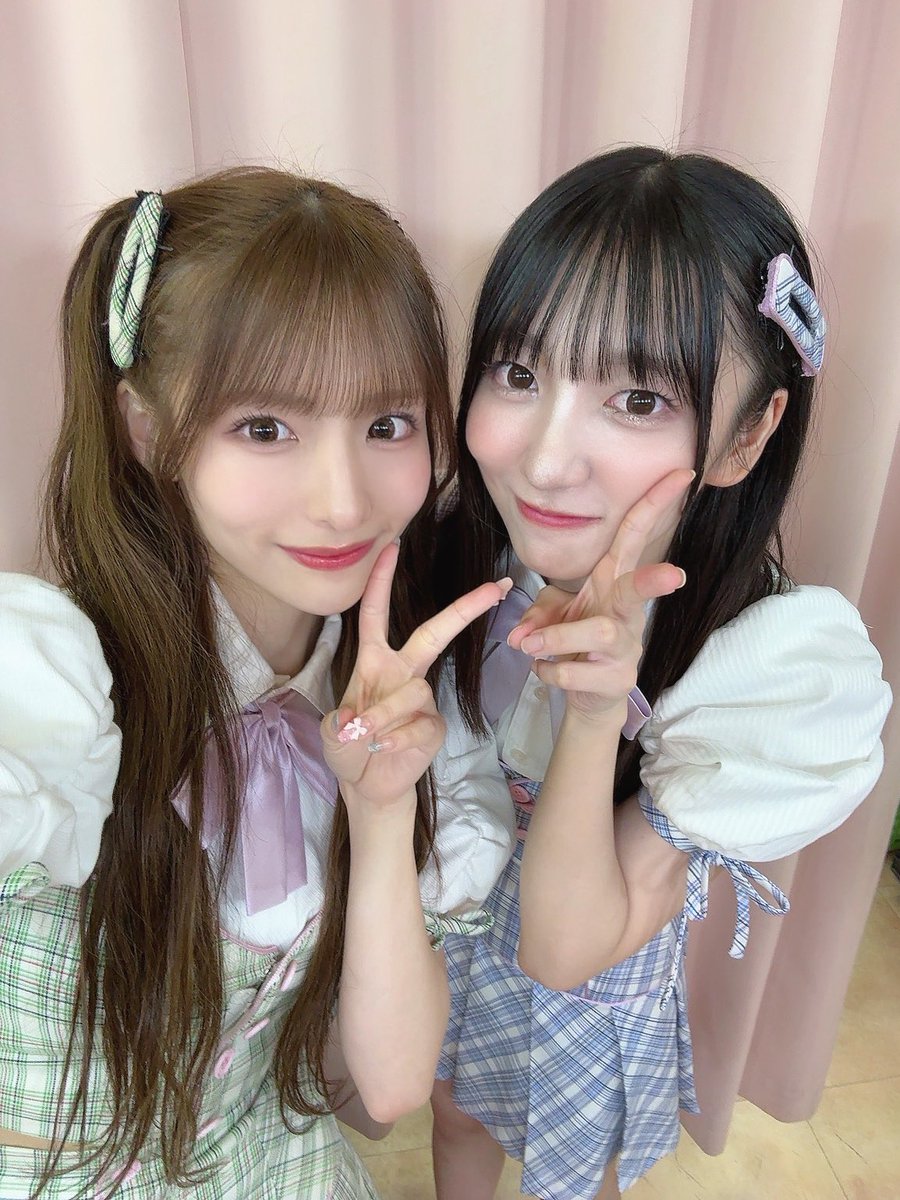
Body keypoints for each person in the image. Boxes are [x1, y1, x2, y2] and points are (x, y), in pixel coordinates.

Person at [0, 168, 516, 1198]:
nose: (342, 502)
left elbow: (392, 1085)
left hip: (266, 1165)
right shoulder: (50, 685)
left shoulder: (400, 695)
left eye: (388, 425)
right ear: (148, 430)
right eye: (266, 428)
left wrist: (381, 813)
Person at [431, 146, 892, 1200]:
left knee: (574, 1173)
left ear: (749, 435)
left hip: (588, 995)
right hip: (462, 952)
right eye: (518, 374)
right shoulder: (462, 560)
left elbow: (565, 950)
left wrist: (599, 715)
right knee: (455, 1117)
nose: (545, 460)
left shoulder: (764, 669)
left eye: (638, 398)